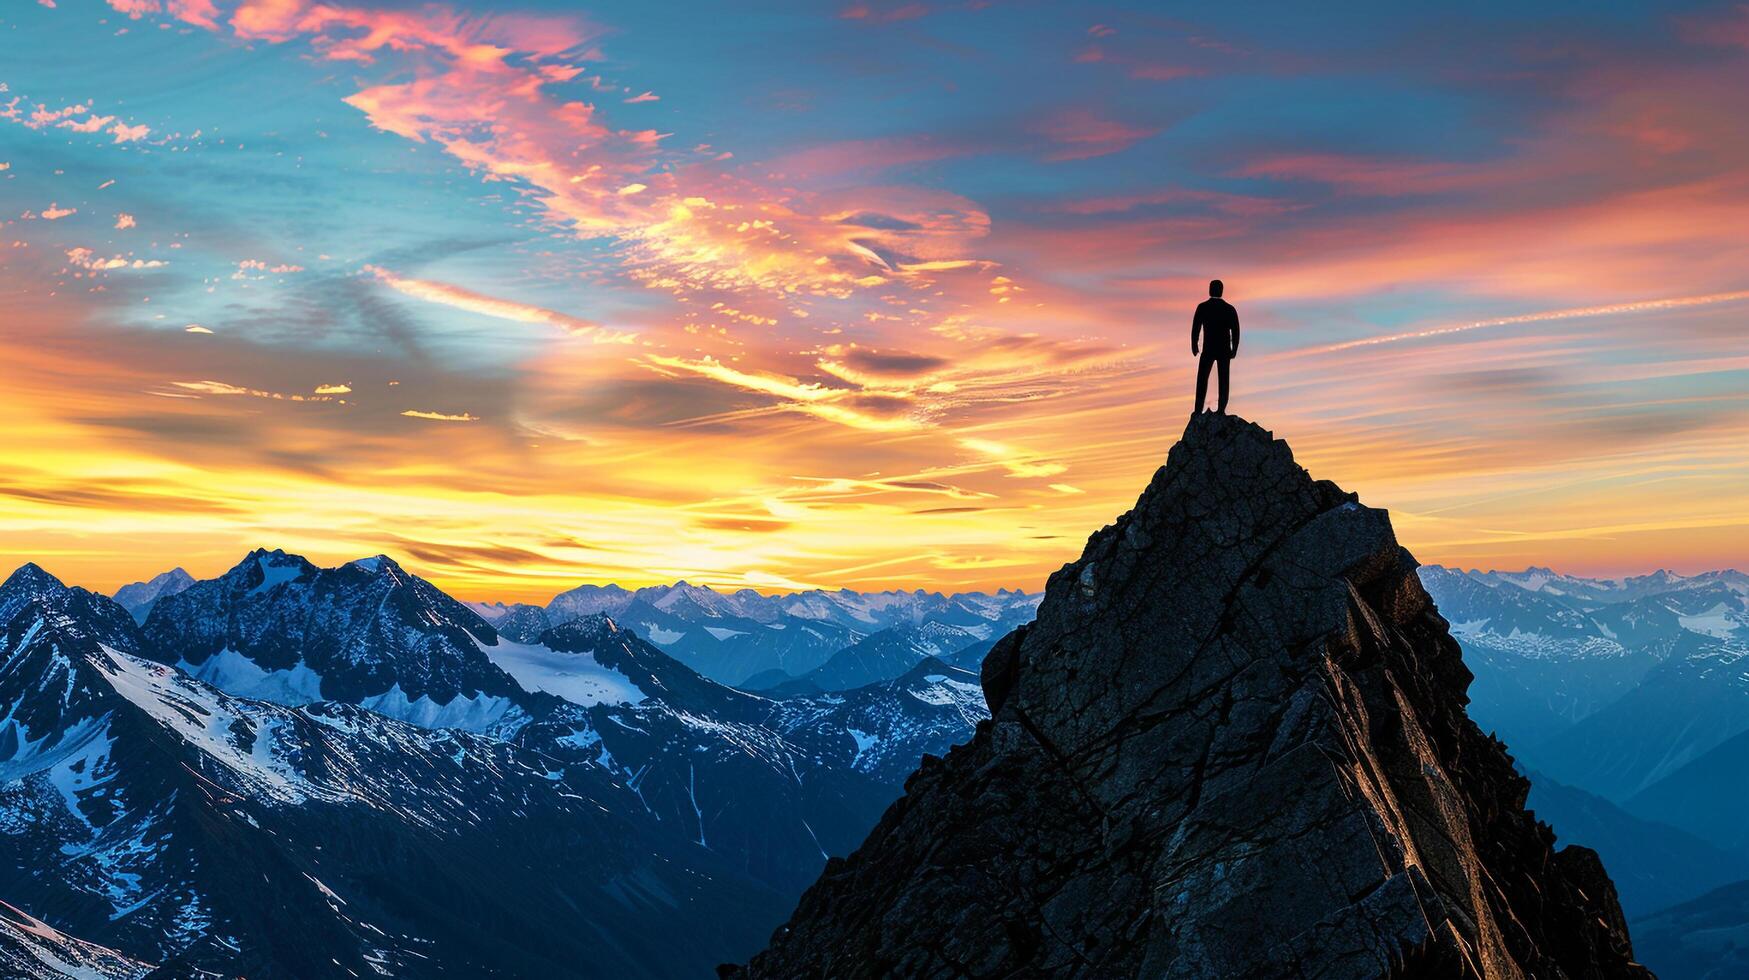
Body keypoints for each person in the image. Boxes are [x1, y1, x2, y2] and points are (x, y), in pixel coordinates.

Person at [1191, 279, 1240, 414]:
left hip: (1212, 349)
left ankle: (1204, 410)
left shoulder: (1204, 307)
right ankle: (1210, 410)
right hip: (1220, 350)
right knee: (1219, 379)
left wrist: (1194, 344)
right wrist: (1234, 348)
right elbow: (1236, 331)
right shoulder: (1228, 309)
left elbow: (1235, 330)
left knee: (1206, 379)